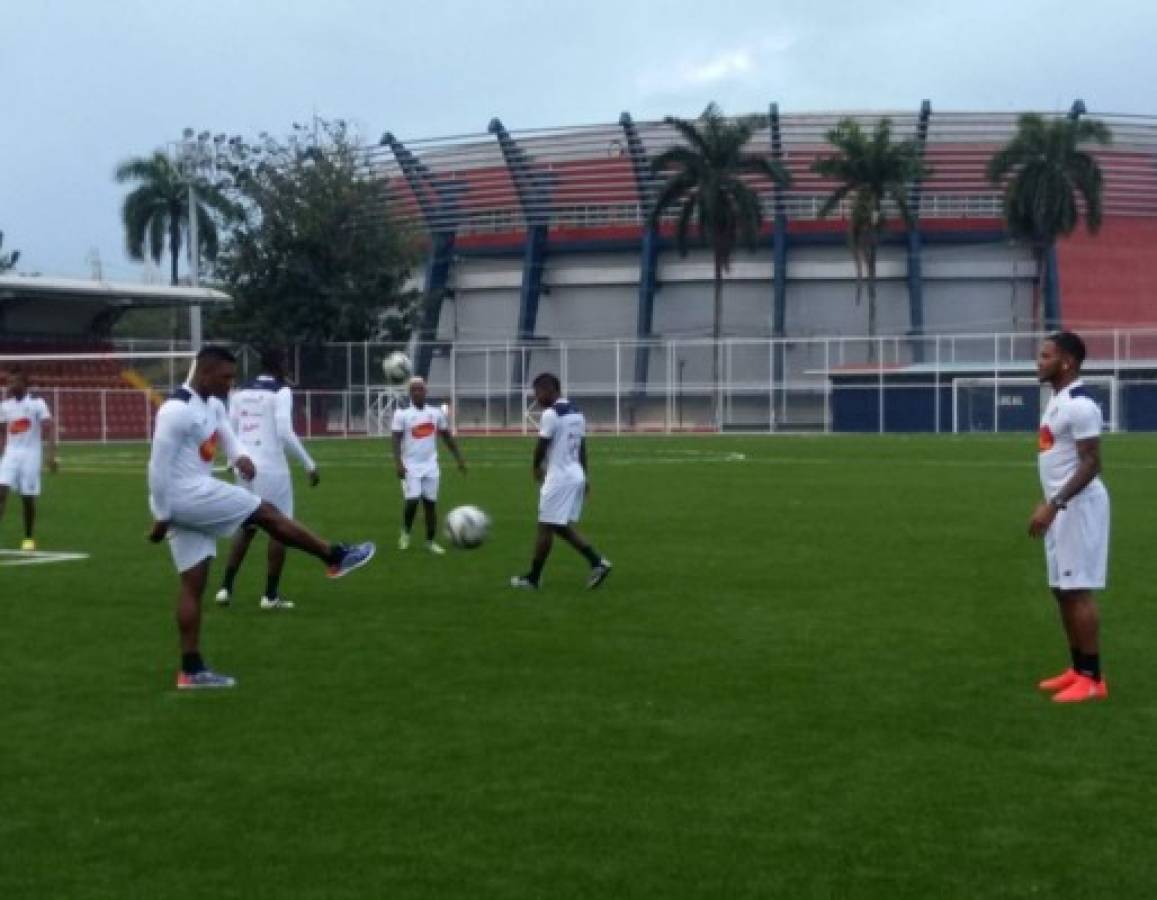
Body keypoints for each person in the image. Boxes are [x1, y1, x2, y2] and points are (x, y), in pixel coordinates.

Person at [148, 346, 375, 690]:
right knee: (266, 512)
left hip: (187, 499)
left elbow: (228, 436)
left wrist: (240, 457)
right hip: (185, 495)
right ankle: (335, 556)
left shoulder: (211, 405)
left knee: (193, 585)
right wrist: (163, 514)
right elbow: (156, 467)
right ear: (205, 373)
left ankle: (190, 670)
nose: (230, 384)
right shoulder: (175, 411)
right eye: (226, 377)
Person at [1029, 331, 1110, 703]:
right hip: (1061, 506)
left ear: (1067, 362)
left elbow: (1092, 462)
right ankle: (1077, 669)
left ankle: (1093, 679)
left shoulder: (1081, 404)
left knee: (1077, 589)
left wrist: (1055, 502)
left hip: (1077, 507)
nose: (1038, 361)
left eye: (1046, 356)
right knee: (1061, 589)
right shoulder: (1057, 400)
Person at [215, 348, 320, 610]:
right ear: (280, 364)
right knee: (280, 530)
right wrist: (309, 464)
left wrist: (232, 460)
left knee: (247, 526)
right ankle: (270, 596)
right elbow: (284, 431)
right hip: (271, 467)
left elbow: (230, 427)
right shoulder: (281, 392)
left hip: (245, 467)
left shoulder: (240, 391)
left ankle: (226, 588)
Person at [511, 372, 611, 590]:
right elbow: (582, 447)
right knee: (559, 526)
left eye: (538, 392)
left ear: (549, 389)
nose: (536, 398)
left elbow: (542, 444)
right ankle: (597, 562)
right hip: (575, 474)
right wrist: (585, 477)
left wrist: (535, 467)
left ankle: (533, 579)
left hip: (559, 477)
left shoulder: (551, 414)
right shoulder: (577, 412)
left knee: (545, 527)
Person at [391, 376, 466, 554]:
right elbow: (395, 439)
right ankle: (405, 534)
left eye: (420, 389)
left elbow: (447, 437)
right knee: (412, 501)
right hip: (411, 466)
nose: (417, 392)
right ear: (410, 393)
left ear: (426, 391)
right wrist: (398, 463)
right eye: (414, 389)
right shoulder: (402, 414)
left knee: (430, 504)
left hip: (431, 466)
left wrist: (459, 458)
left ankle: (430, 541)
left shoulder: (435, 413)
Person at [0, 366, 58, 550]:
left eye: (13, 382)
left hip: (30, 456)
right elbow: (2, 432)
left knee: (27, 498)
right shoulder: (4, 407)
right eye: (8, 382)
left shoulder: (37, 404)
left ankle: (28, 537)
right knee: (1, 492)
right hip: (10, 454)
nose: (9, 385)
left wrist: (51, 455)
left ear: (24, 384)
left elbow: (49, 427)